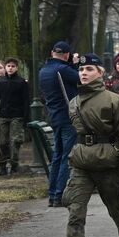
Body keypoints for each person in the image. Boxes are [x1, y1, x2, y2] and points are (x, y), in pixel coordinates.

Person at [50, 53, 119, 237]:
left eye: (89, 69)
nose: (84, 73)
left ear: (100, 73)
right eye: (81, 70)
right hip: (82, 164)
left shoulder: (114, 100)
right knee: (75, 211)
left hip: (108, 164)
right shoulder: (73, 102)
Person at [39, 42, 79, 207]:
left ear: (52, 52)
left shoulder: (43, 71)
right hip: (67, 117)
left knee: (57, 157)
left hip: (54, 117)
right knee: (65, 157)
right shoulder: (63, 69)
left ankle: (52, 194)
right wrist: (75, 65)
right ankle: (59, 194)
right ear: (67, 55)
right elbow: (80, 79)